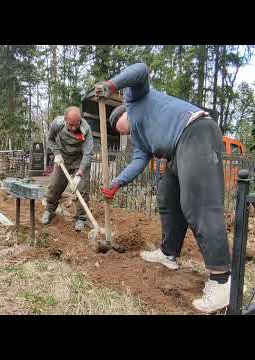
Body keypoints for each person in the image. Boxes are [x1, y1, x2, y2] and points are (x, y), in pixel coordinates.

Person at [95, 63, 232, 314]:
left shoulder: (135, 97)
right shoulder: (139, 138)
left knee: (198, 206)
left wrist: (111, 85)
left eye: (119, 126)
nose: (120, 131)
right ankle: (169, 253)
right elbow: (138, 162)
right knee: (168, 195)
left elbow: (141, 70)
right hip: (176, 152)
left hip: (194, 131)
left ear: (122, 114)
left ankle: (222, 280)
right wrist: (116, 184)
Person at [41, 106, 94, 232]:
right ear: (65, 120)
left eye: (77, 124)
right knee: (54, 186)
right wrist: (57, 153)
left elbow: (88, 153)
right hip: (62, 159)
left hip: (80, 160)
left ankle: (81, 218)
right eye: (71, 125)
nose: (74, 128)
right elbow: (50, 139)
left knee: (82, 189)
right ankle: (49, 210)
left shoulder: (85, 129)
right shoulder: (57, 124)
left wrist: (80, 174)